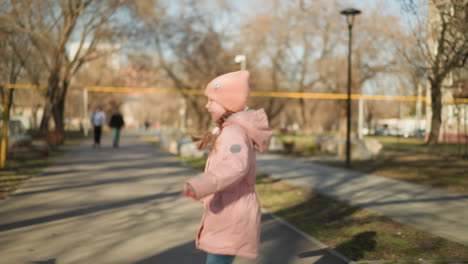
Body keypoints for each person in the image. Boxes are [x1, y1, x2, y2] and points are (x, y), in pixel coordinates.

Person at [182, 70, 272, 264]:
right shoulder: (229, 130)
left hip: (231, 213)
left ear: (228, 103)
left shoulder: (233, 133)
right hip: (227, 211)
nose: (207, 105)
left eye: (211, 101)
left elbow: (235, 166)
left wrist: (201, 184)